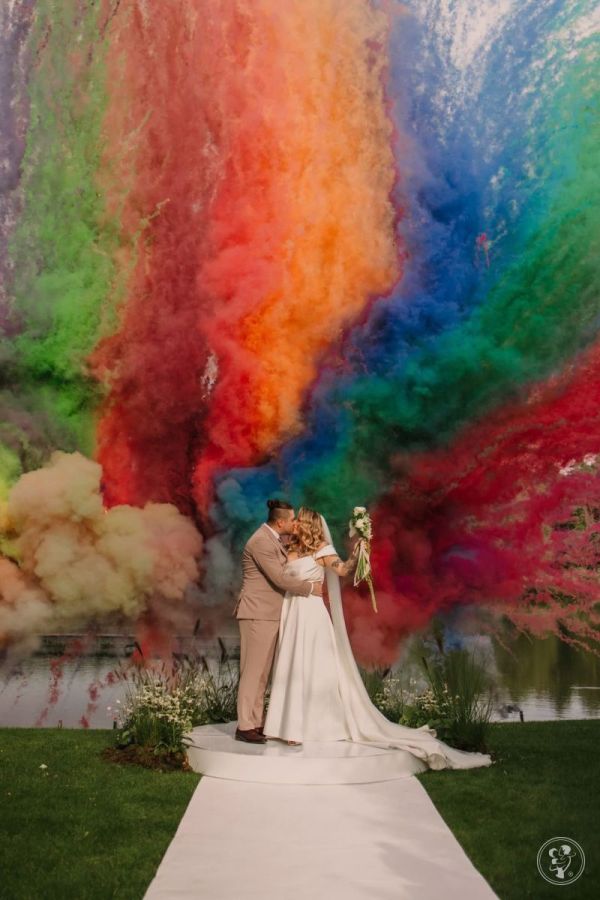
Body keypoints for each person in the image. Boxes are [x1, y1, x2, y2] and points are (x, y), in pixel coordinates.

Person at [264, 507, 494, 771]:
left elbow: (343, 570)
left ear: (307, 524)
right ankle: (286, 725)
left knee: (313, 668)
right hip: (291, 612)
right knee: (292, 666)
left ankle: (313, 726)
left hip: (311, 615)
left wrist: (358, 552)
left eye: (297, 519)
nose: (293, 523)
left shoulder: (323, 551)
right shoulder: (289, 549)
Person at [232, 499, 324, 744]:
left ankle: (255, 721)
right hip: (257, 613)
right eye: (292, 520)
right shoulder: (261, 541)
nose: (295, 523)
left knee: (262, 673)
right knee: (252, 672)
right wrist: (310, 588)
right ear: (281, 522)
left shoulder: (273, 539)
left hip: (269, 614)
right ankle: (244, 726)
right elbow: (279, 578)